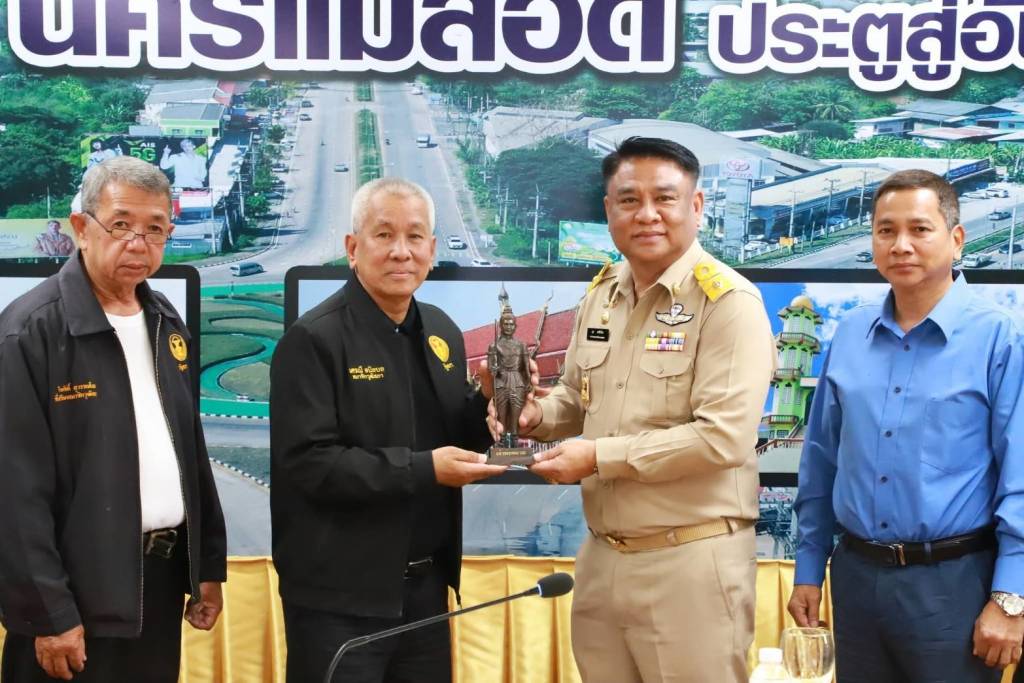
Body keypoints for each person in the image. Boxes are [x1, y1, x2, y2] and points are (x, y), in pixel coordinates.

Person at [487, 136, 776, 682]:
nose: (646, 215)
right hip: (602, 557)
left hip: (690, 559)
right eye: (628, 200)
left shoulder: (728, 304)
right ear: (608, 209)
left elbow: (722, 438)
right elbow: (575, 396)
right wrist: (534, 417)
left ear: (696, 206)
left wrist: (599, 457)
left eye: (664, 198)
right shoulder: (602, 294)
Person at [789, 169, 1024, 681]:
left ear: (956, 239)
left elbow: (1020, 475)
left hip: (954, 585)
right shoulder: (850, 333)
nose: (901, 245)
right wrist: (808, 567)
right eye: (885, 230)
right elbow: (821, 460)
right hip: (855, 578)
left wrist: (1011, 595)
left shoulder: (998, 338)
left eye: (919, 229)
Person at [270, 177, 507, 683]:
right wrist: (425, 469)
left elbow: (452, 436)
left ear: (432, 249)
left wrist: (487, 404)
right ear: (353, 248)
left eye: (415, 236)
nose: (402, 251)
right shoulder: (313, 339)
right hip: (338, 599)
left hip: (426, 591)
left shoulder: (441, 330)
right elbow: (309, 465)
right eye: (384, 235)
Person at [0, 156, 227, 683]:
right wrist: (49, 613)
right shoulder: (31, 331)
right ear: (82, 228)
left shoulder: (165, 320)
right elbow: (13, 492)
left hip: (159, 584)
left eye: (155, 229)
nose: (138, 243)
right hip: (73, 600)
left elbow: (190, 453)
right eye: (121, 224)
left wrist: (206, 565)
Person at [487, 298, 531, 447]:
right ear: (500, 325)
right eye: (506, 324)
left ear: (515, 326)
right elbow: (491, 366)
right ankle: (502, 441)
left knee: (515, 413)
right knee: (502, 413)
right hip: (501, 379)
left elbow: (525, 367)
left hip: (517, 380)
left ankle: (514, 440)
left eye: (511, 324)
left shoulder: (521, 345)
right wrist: (493, 369)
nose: (509, 327)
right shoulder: (494, 346)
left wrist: (528, 381)